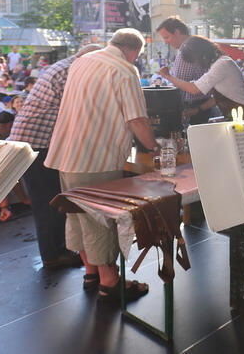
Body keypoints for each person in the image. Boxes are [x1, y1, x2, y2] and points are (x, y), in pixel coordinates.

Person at [45, 30, 158, 303]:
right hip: (96, 155)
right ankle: (110, 282)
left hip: (66, 152)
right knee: (100, 221)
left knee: (77, 215)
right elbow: (136, 120)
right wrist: (155, 148)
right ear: (134, 51)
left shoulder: (83, 60)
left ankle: (91, 272)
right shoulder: (124, 69)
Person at [8, 44, 102, 271]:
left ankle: (58, 250)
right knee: (48, 201)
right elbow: (77, 110)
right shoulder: (72, 71)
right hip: (37, 143)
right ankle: (53, 255)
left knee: (49, 199)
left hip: (34, 140)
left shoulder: (64, 66)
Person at [163, 36, 244, 120]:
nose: (196, 64)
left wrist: (168, 76)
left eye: (194, 60)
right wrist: (197, 110)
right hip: (238, 113)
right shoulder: (220, 63)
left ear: (201, 55)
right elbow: (217, 98)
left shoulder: (222, 64)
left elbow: (194, 89)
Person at [155, 16, 212, 124]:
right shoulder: (196, 45)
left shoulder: (186, 49)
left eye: (167, 37)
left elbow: (180, 83)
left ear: (177, 32)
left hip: (193, 107)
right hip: (202, 104)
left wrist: (167, 76)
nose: (166, 42)